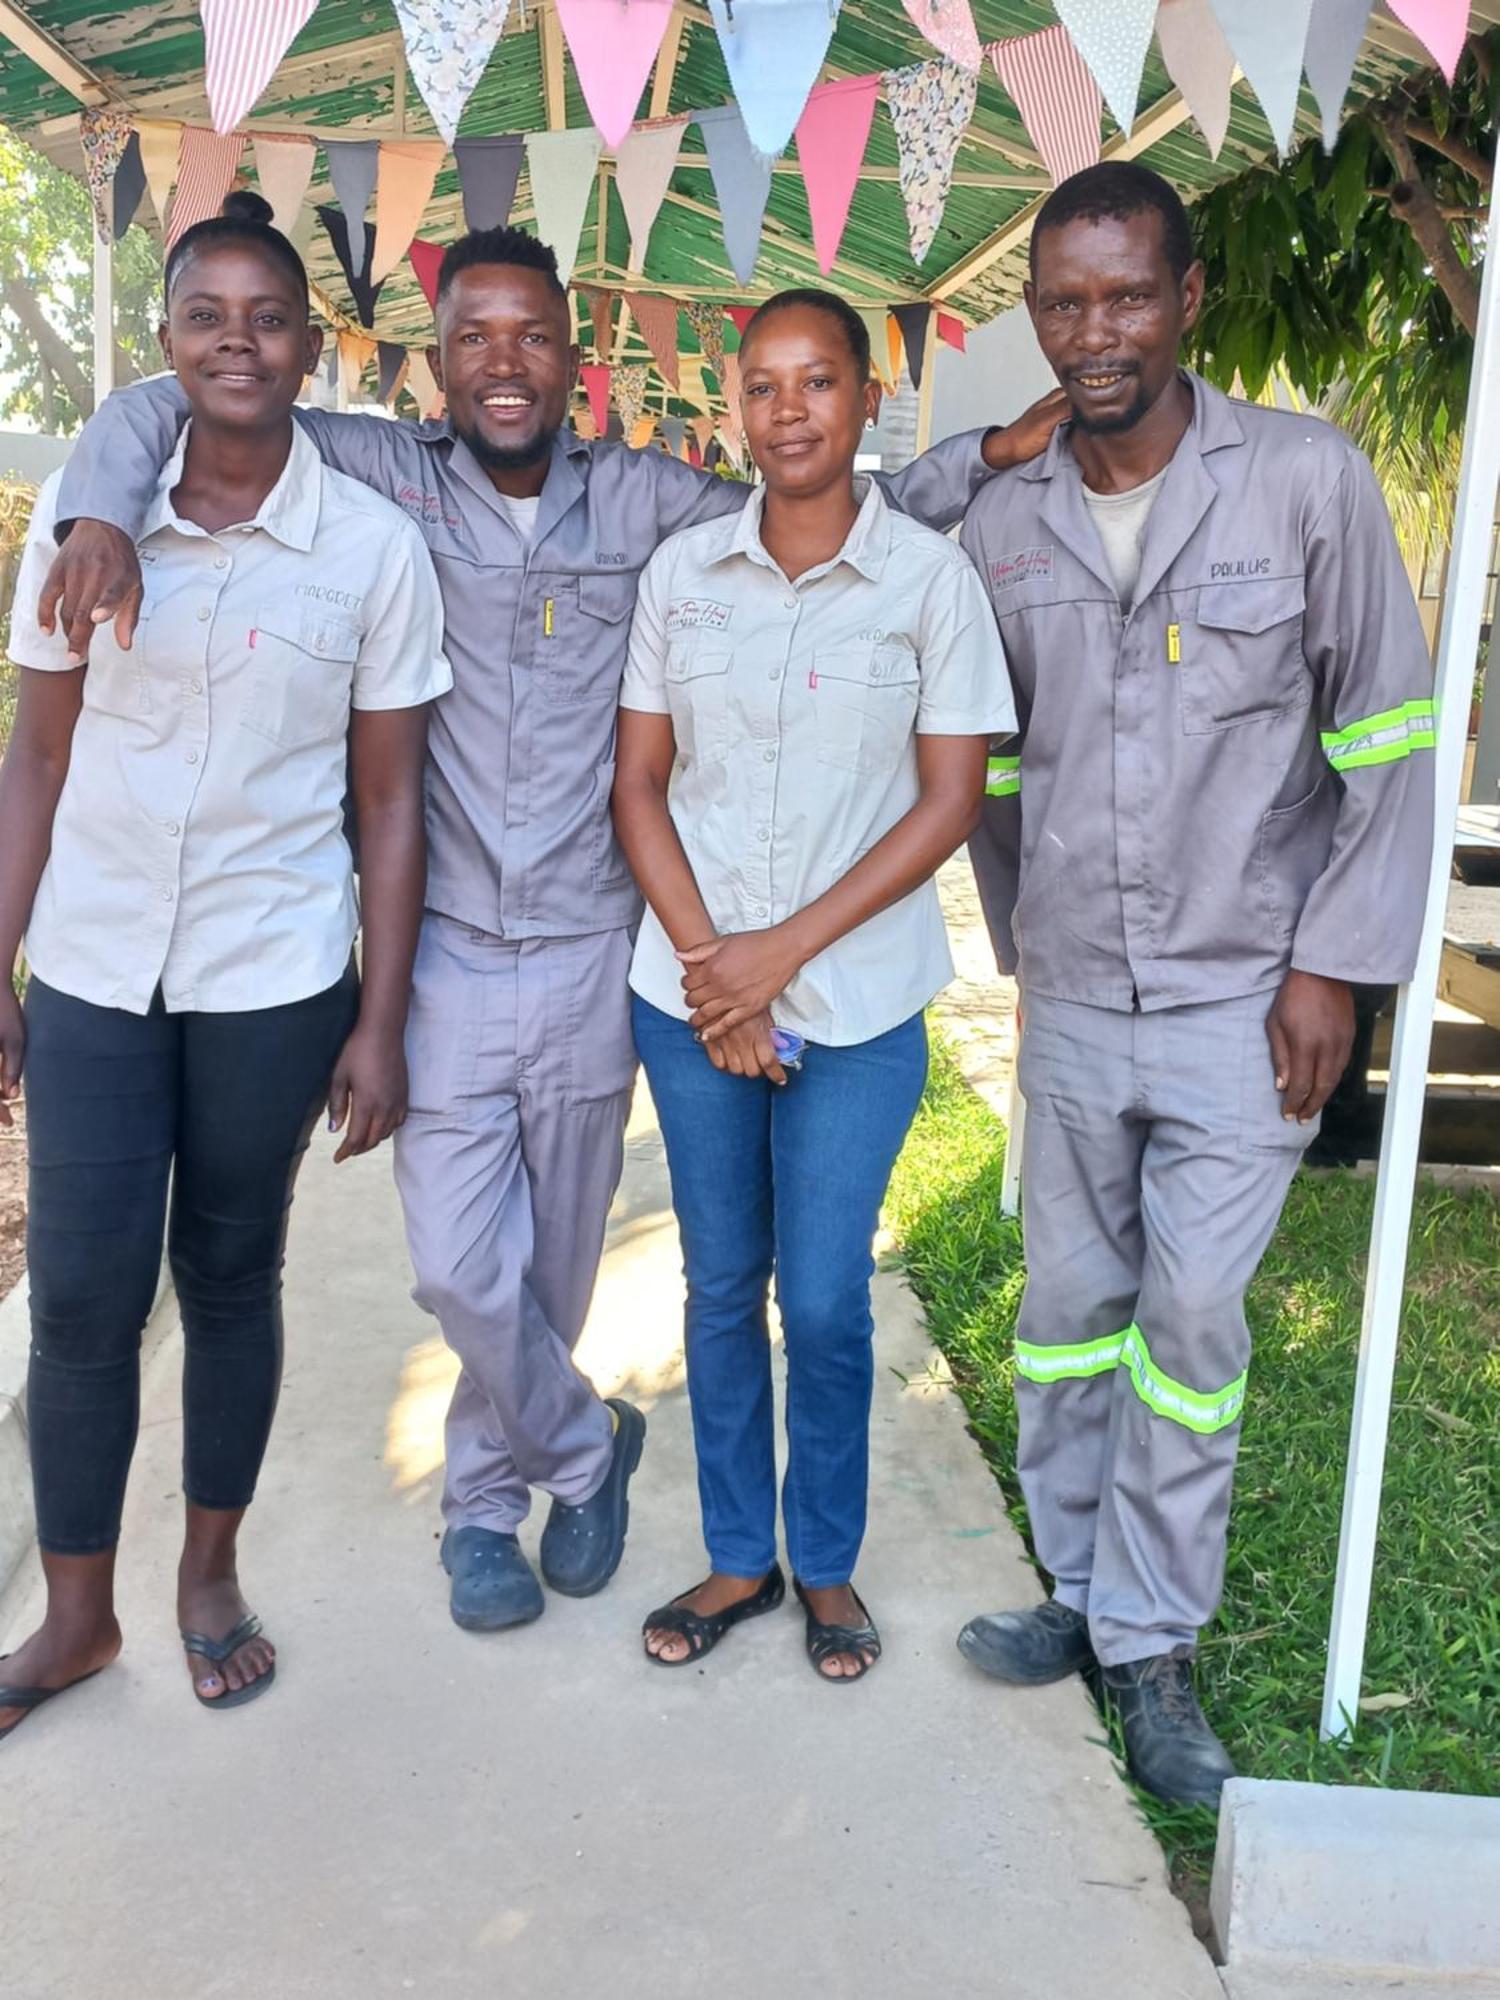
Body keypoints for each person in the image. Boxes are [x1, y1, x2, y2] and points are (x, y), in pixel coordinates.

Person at [43, 228, 1062, 1636]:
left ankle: (482, 1507)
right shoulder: (382, 470)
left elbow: (811, 487)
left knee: (552, 1263)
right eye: (474, 339)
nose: (504, 366)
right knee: (459, 1266)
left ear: (578, 359)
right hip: (452, 940)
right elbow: (187, 392)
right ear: (438, 358)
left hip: (598, 947)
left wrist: (989, 456)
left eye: (533, 338)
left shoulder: (648, 500)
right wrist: (96, 500)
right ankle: (582, 1447)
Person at [955, 163, 1435, 1805]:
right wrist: (1028, 949)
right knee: (1071, 1315)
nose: (1094, 332)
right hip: (1081, 991)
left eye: (1125, 296)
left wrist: (1338, 972)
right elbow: (996, 768)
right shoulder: (1003, 520)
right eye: (1063, 302)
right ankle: (1078, 1591)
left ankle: (1153, 1643)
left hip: (1253, 1000)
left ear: (1190, 297)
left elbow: (1387, 746)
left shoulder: (1305, 482)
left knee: (1188, 1320)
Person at [0, 191, 449, 1741]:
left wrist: (380, 1020)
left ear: (311, 348)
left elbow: (390, 801)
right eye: (206, 316)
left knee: (231, 1275)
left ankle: (208, 1577)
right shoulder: (88, 517)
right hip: (99, 970)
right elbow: (33, 763)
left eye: (268, 319)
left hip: (274, 975)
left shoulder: (373, 551)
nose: (237, 341)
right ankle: (72, 1620)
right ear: (173, 343)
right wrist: (0, 966)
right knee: (77, 1301)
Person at [613, 290, 1016, 1679]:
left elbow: (950, 799)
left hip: (855, 1011)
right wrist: (714, 975)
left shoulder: (928, 583)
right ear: (737, 406)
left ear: (867, 398)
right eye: (766, 386)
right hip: (689, 1001)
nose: (791, 411)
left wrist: (775, 960)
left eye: (820, 382)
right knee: (722, 1284)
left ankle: (827, 1562)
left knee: (828, 1298)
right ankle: (740, 1559)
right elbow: (640, 783)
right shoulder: (682, 576)